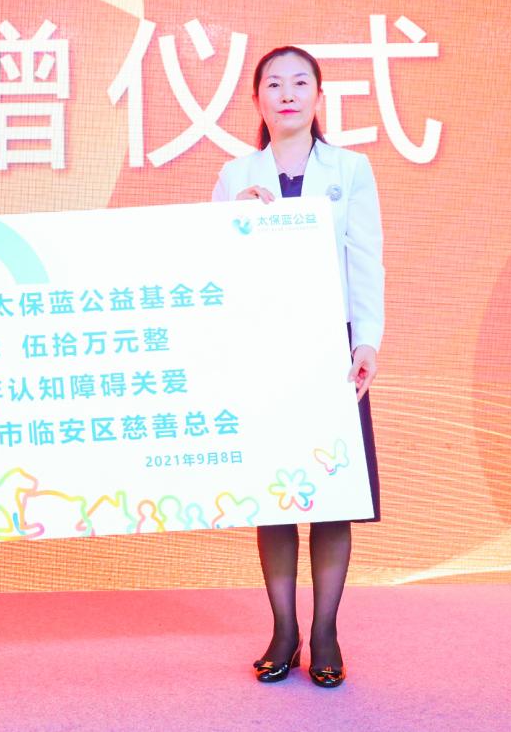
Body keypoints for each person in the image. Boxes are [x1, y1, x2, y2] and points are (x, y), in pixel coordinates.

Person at [211, 46, 384, 688]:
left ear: (318, 96)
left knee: (332, 494)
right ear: (257, 99)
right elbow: (212, 267)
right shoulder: (235, 175)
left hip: (332, 349)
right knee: (275, 496)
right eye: (274, 84)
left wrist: (367, 339)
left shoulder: (351, 169)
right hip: (264, 351)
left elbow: (365, 256)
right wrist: (234, 221)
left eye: (300, 83)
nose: (287, 94)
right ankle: (284, 631)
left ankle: (326, 631)